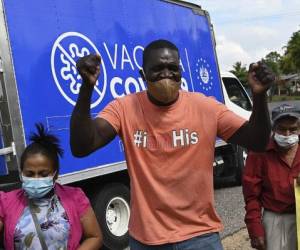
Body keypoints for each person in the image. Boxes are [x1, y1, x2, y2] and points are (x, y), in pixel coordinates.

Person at [70, 39, 275, 249]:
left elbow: (257, 141)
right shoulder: (124, 108)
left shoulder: (206, 107)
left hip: (200, 236)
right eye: (157, 68)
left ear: (181, 72)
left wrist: (259, 97)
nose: (166, 73)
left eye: (172, 68)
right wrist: (86, 88)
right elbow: (82, 146)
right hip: (147, 240)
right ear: (143, 74)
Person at [0, 123, 102, 250]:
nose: (36, 179)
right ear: (21, 173)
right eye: (30, 174)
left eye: (43, 174)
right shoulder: (6, 202)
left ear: (55, 173)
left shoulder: (75, 197)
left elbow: (94, 236)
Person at [242, 104, 300, 250]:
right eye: (281, 129)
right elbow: (251, 196)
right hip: (275, 220)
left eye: (292, 129)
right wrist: (255, 229)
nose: (287, 134)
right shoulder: (259, 153)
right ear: (273, 129)